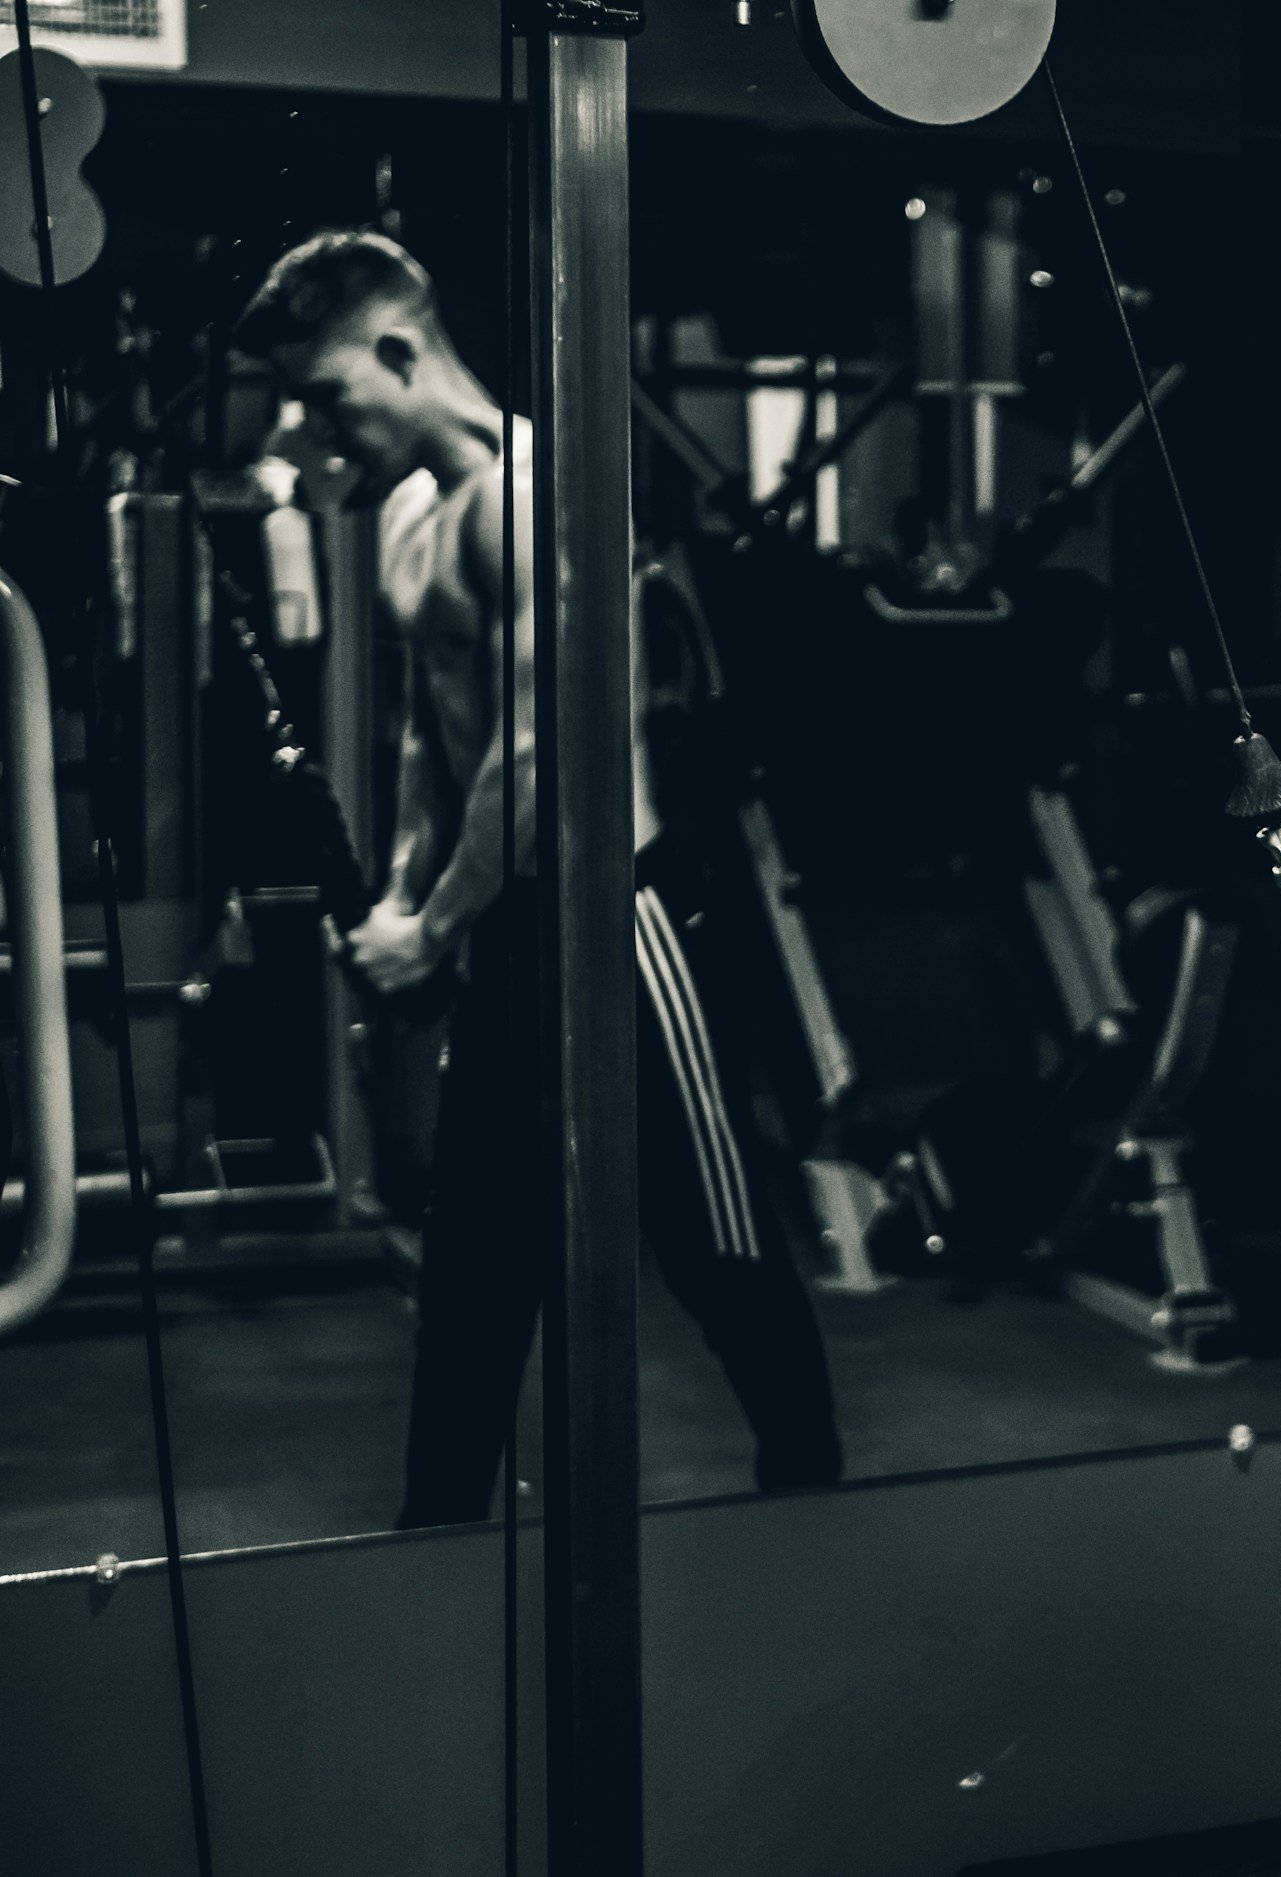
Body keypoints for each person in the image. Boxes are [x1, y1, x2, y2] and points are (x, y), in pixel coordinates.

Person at [235, 231, 842, 1528]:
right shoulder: (409, 515)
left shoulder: (535, 495)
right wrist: (406, 901)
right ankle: (434, 1549)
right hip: (508, 933)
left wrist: (429, 929)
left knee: (720, 1250)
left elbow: (538, 753)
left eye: (329, 394)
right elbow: (429, 736)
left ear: (400, 350)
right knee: (469, 1281)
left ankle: (814, 1510)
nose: (319, 431)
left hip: (624, 927)